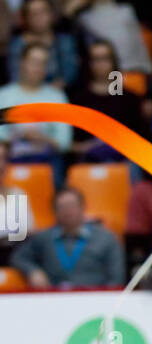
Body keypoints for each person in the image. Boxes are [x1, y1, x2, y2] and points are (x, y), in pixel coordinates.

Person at [9, 185, 125, 289]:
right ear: (54, 211)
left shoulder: (106, 238)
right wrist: (33, 271)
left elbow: (116, 278)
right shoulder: (44, 238)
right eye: (62, 207)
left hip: (93, 298)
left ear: (83, 207)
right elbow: (19, 257)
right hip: (54, 300)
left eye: (71, 205)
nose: (67, 211)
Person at [0, 43, 73, 188]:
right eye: (34, 62)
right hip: (11, 158)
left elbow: (65, 142)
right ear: (22, 63)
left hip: (48, 161)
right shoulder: (4, 95)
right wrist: (20, 137)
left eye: (43, 63)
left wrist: (42, 138)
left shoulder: (56, 97)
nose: (38, 68)